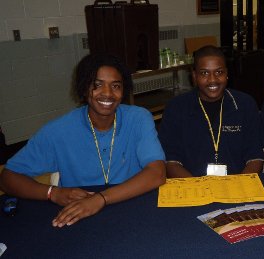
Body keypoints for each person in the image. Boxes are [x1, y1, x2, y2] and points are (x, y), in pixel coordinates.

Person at [0, 53, 166, 227]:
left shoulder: (139, 118)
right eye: (97, 85)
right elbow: (8, 177)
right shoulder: (58, 131)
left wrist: (101, 199)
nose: (108, 94)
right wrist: (53, 193)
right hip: (82, 218)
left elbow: (157, 173)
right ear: (83, 87)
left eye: (116, 86)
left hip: (134, 209)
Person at [159, 45, 263, 177]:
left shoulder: (245, 105)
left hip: (238, 186)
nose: (212, 80)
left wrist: (238, 188)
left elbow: (255, 158)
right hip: (192, 188)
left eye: (219, 72)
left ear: (227, 74)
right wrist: (199, 189)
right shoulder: (176, 108)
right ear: (194, 76)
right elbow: (171, 162)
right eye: (204, 73)